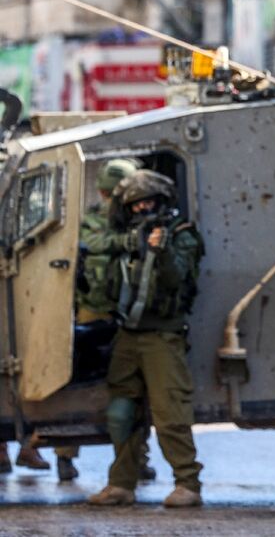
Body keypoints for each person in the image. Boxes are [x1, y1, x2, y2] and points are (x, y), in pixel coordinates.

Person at [88, 170, 204, 508]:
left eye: (150, 202)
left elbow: (177, 279)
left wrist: (162, 249)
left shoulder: (181, 235)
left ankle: (188, 483)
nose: (144, 209)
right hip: (128, 335)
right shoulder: (125, 237)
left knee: (170, 412)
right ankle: (122, 484)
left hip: (162, 337)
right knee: (122, 413)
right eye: (137, 204)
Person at [61, 158, 157, 483]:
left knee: (127, 388)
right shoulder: (96, 222)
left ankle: (134, 458)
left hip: (123, 311)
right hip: (96, 308)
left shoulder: (133, 219)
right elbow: (92, 245)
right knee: (79, 382)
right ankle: (66, 454)